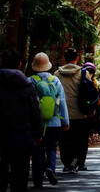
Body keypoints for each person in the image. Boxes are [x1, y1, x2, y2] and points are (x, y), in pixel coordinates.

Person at [0, 48, 43, 192]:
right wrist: (38, 134)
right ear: (19, 64)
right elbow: (35, 111)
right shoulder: (27, 85)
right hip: (22, 136)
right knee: (20, 177)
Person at [29, 52, 69, 187]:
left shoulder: (30, 80)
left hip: (36, 123)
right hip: (54, 121)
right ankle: (50, 168)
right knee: (51, 148)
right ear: (48, 66)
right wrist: (65, 121)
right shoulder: (54, 80)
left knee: (37, 150)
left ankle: (37, 180)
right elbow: (61, 101)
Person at [54, 48, 93, 173]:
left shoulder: (57, 74)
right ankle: (77, 163)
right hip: (80, 113)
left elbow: (56, 95)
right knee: (80, 140)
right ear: (77, 58)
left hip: (63, 114)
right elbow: (90, 92)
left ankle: (67, 164)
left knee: (65, 140)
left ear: (65, 58)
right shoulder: (83, 73)